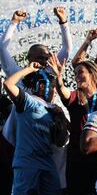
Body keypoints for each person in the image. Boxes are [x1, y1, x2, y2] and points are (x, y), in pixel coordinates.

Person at [1, 8, 73, 191]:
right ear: (30, 58)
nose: (44, 61)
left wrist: (63, 22)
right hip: (26, 136)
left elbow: (67, 49)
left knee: (57, 163)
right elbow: (2, 49)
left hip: (51, 126)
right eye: (40, 58)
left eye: (46, 57)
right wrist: (14, 23)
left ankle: (61, 186)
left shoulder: (52, 70)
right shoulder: (21, 74)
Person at [3, 62, 69, 194]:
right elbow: (8, 84)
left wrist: (61, 120)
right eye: (53, 88)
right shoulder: (27, 102)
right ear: (42, 86)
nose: (55, 92)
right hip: (27, 164)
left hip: (48, 164)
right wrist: (28, 69)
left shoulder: (54, 110)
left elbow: (60, 142)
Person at [49, 55, 97, 195]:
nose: (76, 77)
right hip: (77, 158)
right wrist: (59, 76)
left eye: (80, 72)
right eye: (75, 74)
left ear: (92, 73)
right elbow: (62, 90)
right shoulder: (77, 97)